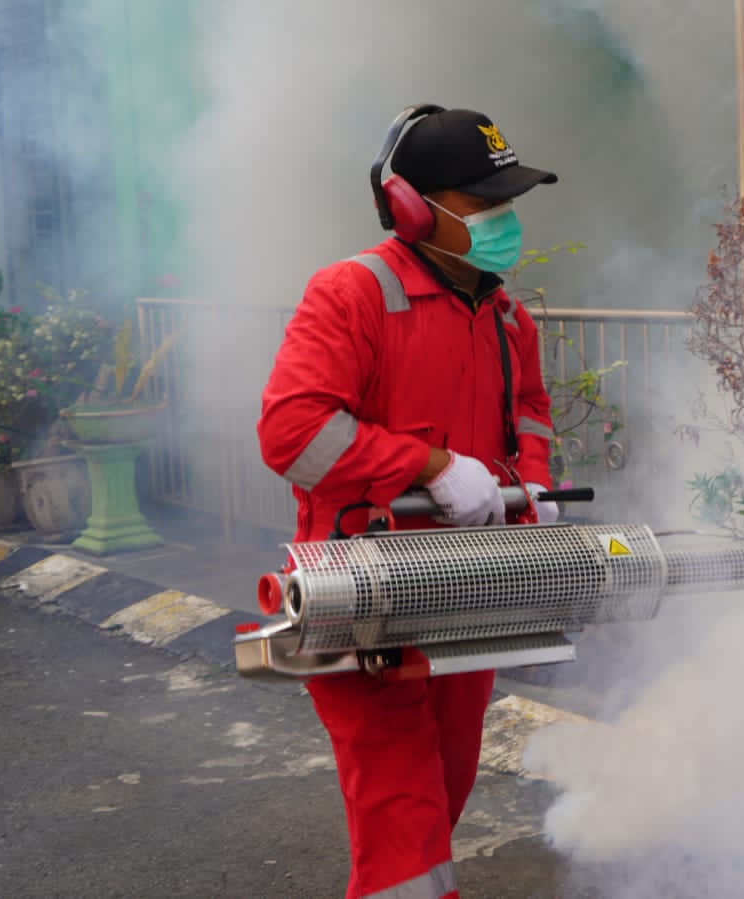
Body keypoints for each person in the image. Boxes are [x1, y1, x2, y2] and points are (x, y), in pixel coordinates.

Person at [256, 104, 560, 899]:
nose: (505, 218)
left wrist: (533, 482)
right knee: (404, 812)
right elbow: (292, 432)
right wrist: (426, 464)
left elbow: (528, 411)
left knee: (445, 790)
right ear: (412, 208)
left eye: (509, 199)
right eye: (483, 202)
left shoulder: (503, 315)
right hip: (362, 595)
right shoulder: (351, 294)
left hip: (466, 590)